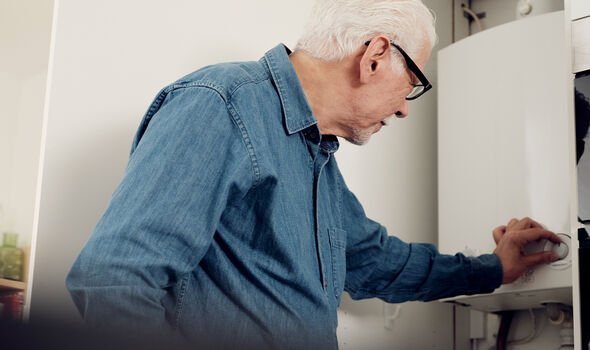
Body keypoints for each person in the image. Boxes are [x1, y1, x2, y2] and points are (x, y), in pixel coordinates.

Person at [66, 0, 561, 349]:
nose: (405, 110)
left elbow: (373, 261)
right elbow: (115, 278)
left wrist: (494, 268)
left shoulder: (315, 154)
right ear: (373, 56)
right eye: (411, 84)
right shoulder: (221, 104)